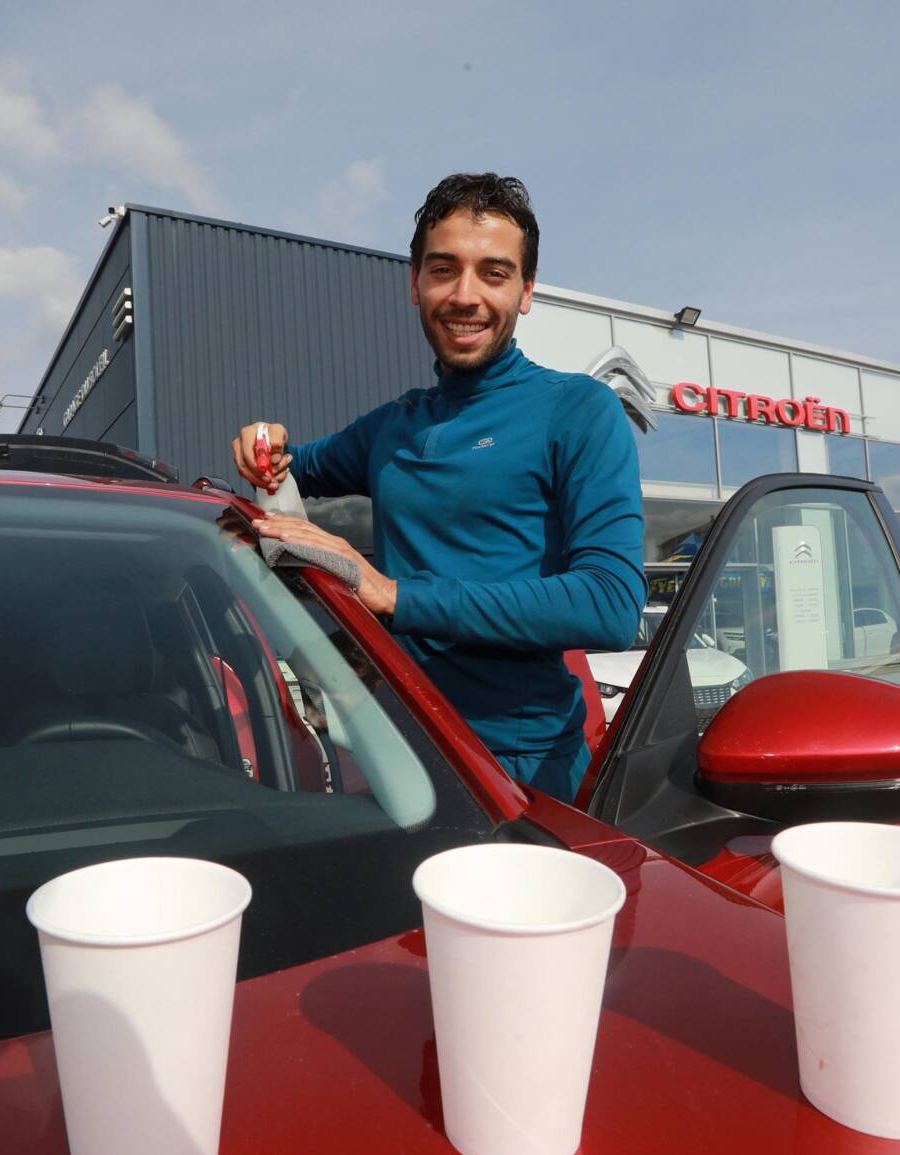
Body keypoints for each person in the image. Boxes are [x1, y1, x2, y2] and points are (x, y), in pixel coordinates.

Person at [233, 173, 645, 802]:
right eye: (444, 269)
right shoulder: (393, 426)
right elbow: (290, 465)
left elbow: (610, 605)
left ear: (527, 291)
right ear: (415, 284)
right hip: (387, 743)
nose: (465, 295)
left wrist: (395, 595)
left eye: (495, 273)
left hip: (517, 771)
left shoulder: (578, 410)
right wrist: (265, 440)